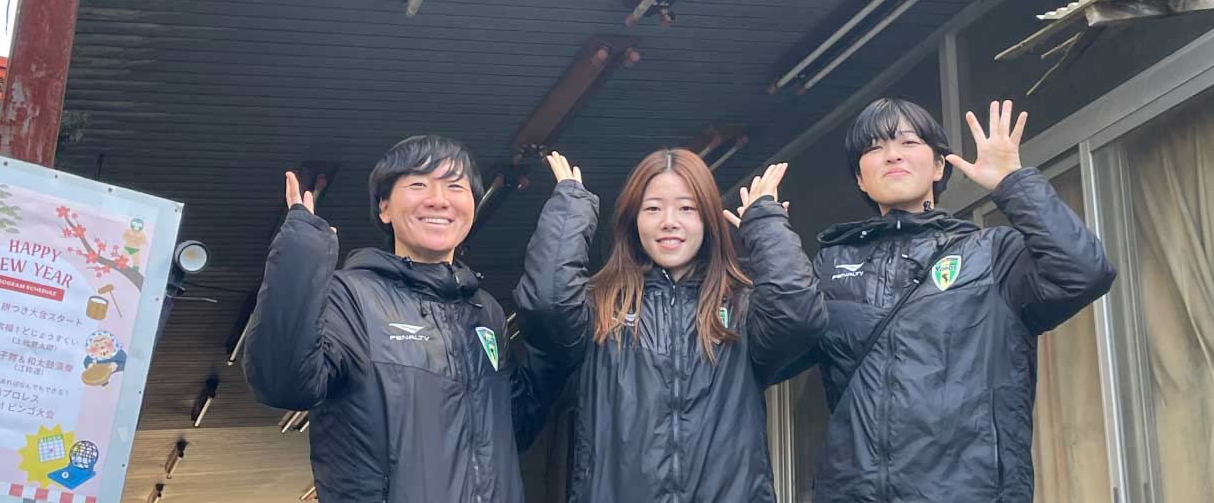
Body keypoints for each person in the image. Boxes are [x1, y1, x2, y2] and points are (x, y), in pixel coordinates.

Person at [787, 97, 1116, 503]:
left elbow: (1084, 272)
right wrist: (769, 240)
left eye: (908, 142)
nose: (892, 155)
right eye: (874, 148)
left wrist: (1013, 183)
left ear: (939, 165)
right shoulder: (832, 266)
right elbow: (772, 348)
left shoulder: (992, 254)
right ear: (860, 179)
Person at [242, 135, 577, 503]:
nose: (439, 199)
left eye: (455, 186)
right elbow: (283, 383)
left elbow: (515, 429)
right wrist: (300, 254)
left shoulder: (485, 312)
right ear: (384, 208)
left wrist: (556, 336)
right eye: (419, 184)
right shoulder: (350, 297)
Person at [515, 148, 825, 503]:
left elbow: (800, 316)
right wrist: (571, 208)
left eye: (687, 208)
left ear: (708, 218)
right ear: (633, 219)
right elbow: (546, 304)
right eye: (652, 208)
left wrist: (765, 223)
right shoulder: (599, 308)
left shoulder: (741, 308)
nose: (669, 221)